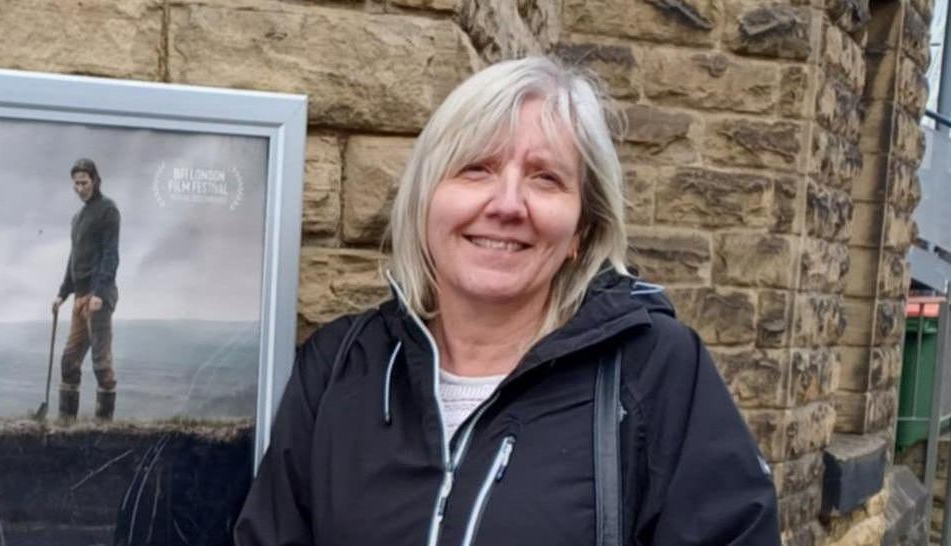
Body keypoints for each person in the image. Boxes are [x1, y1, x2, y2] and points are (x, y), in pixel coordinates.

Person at [235, 57, 780, 545]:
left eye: (546, 178)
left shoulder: (652, 371)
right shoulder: (340, 367)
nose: (508, 204)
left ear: (581, 234)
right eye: (477, 168)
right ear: (426, 200)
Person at [52, 158, 120, 423]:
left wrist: (100, 294)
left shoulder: (108, 210)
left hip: (98, 298)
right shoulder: (77, 218)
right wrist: (62, 293)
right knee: (69, 361)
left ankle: (104, 427)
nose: (80, 188)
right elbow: (74, 259)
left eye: (84, 182)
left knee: (101, 363)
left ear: (95, 180)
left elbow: (110, 254)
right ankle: (65, 424)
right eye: (76, 184)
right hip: (80, 297)